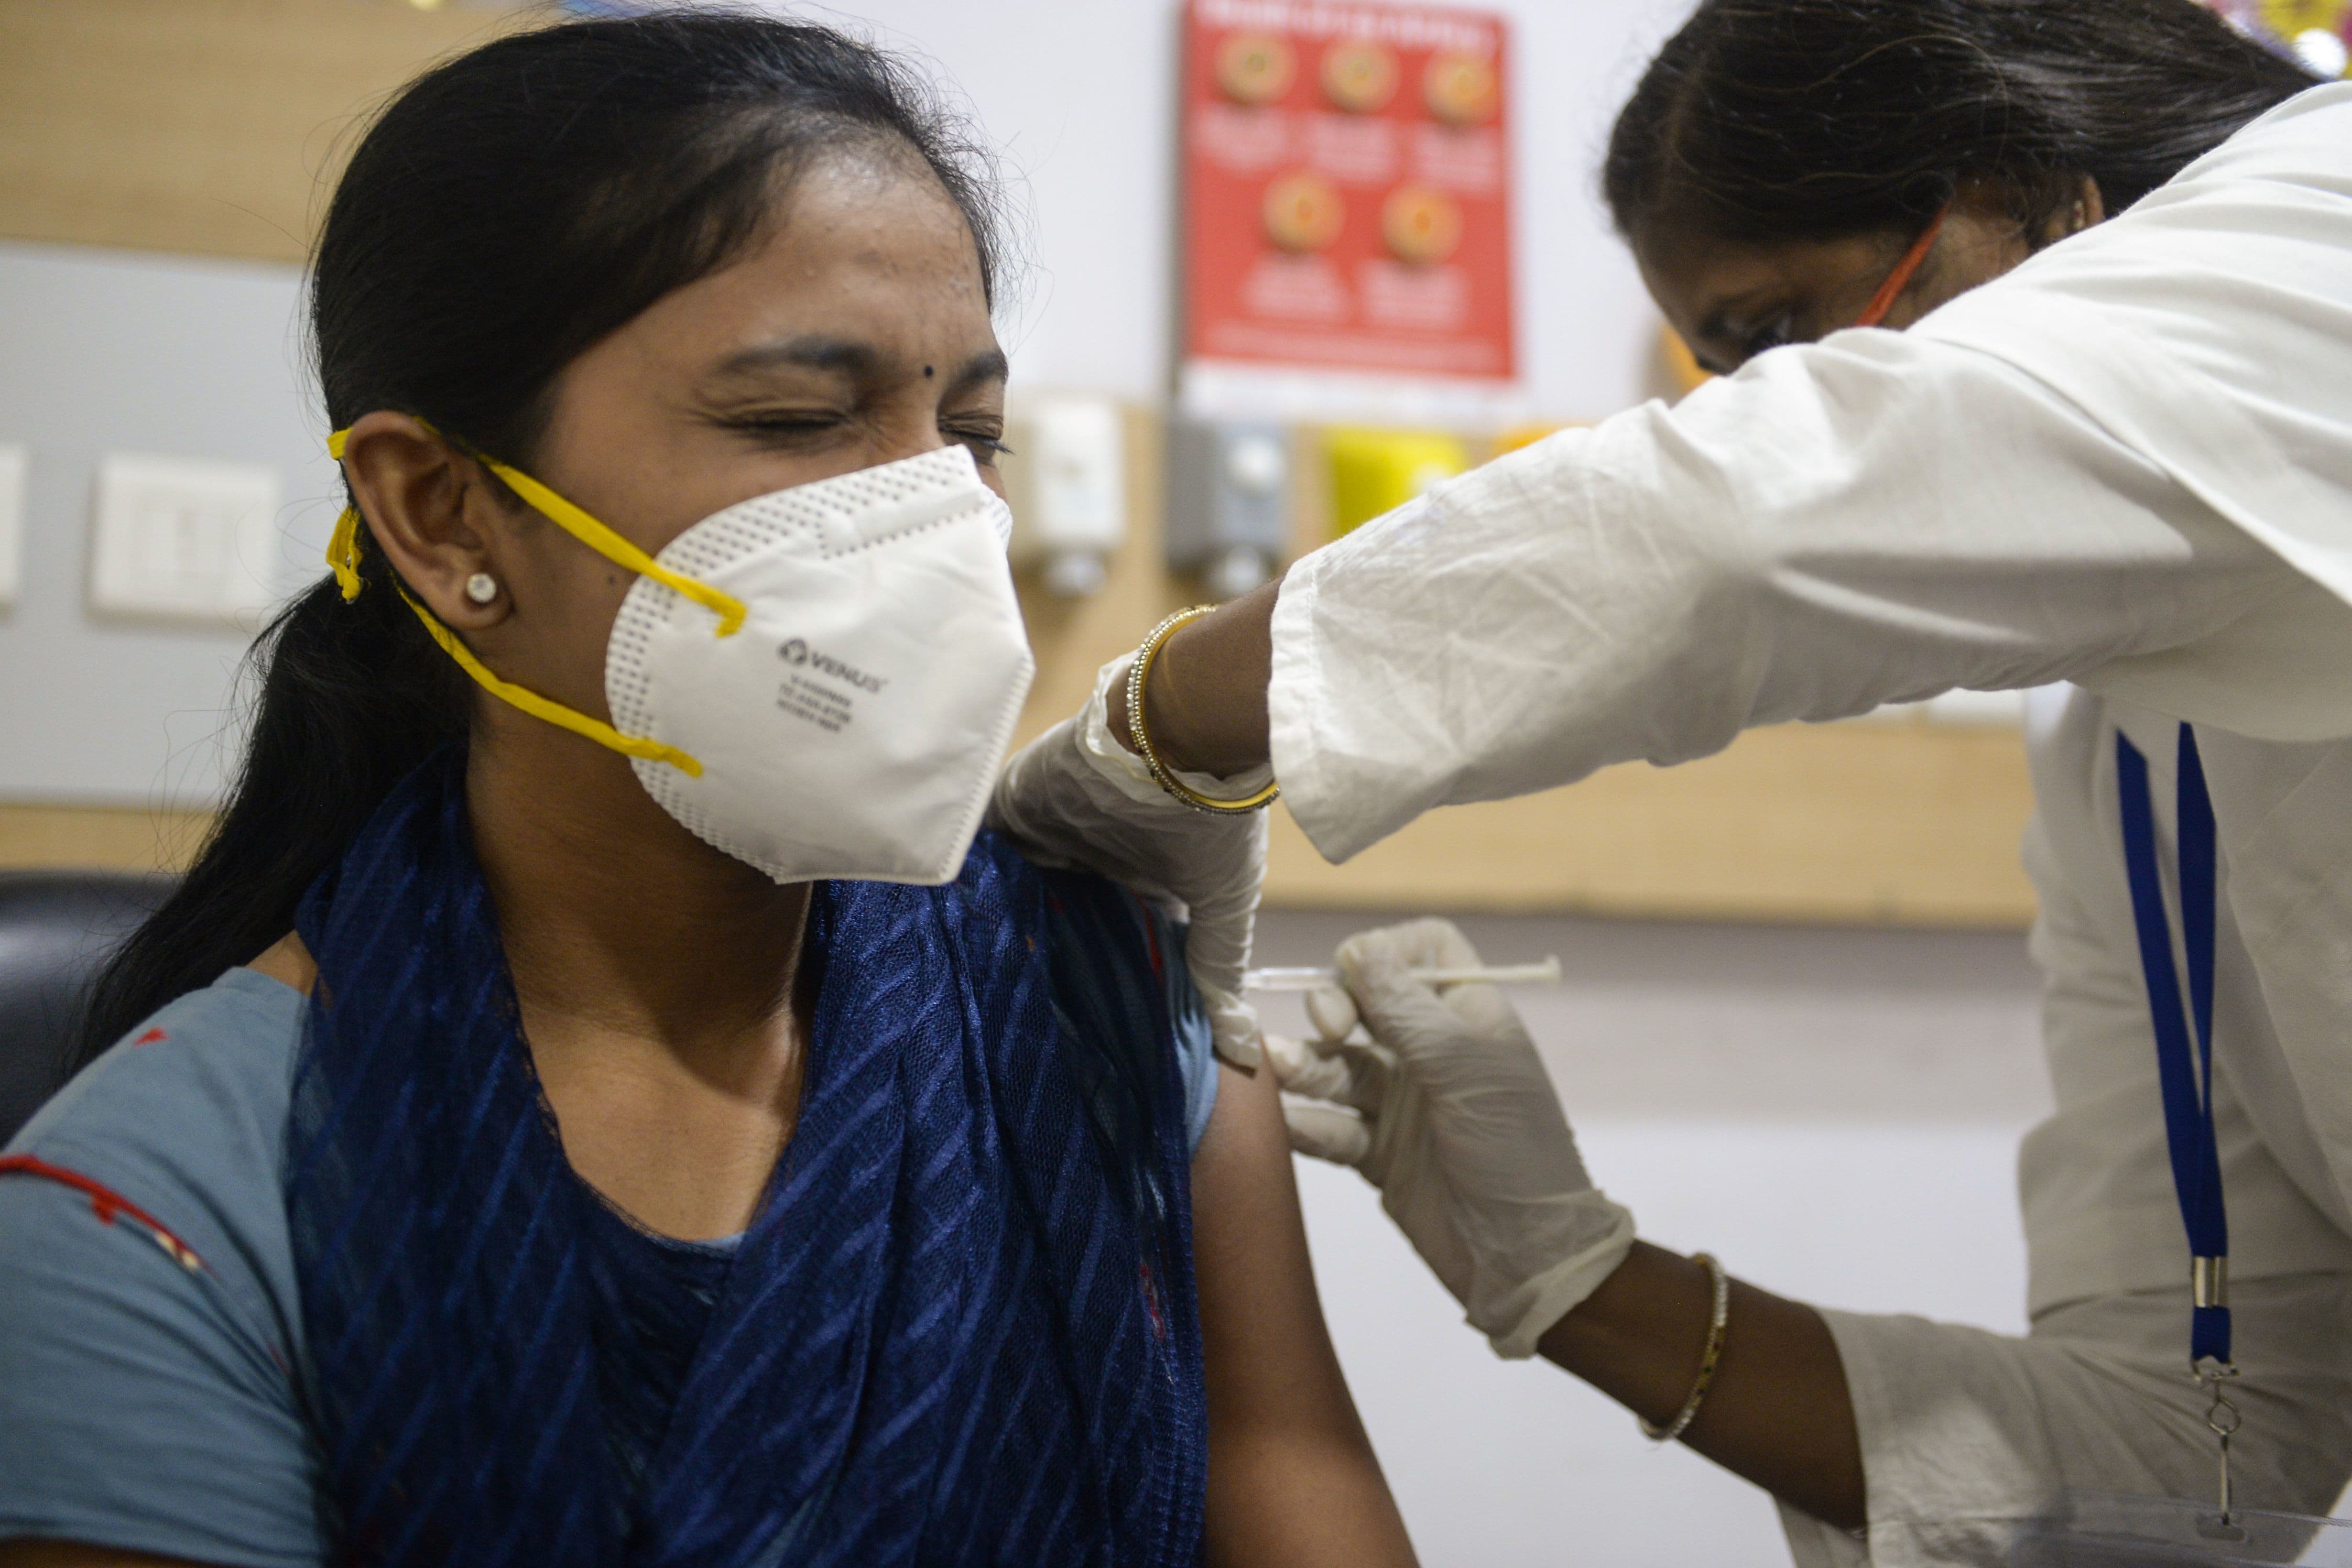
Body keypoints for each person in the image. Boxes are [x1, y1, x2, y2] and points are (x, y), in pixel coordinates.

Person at [0, 16, 1418, 1568]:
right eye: (802, 420)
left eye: (972, 437)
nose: (940, 524)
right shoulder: (151, 1212)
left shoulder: (1107, 1006)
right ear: (436, 509)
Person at [989, 0, 2352, 1562]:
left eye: (1779, 339)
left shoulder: (2323, 235)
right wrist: (1572, 1278)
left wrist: (1155, 721)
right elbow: (2196, 1462)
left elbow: (1744, 528)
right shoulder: (2133, 755)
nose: (1768, 405)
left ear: (2032, 193)